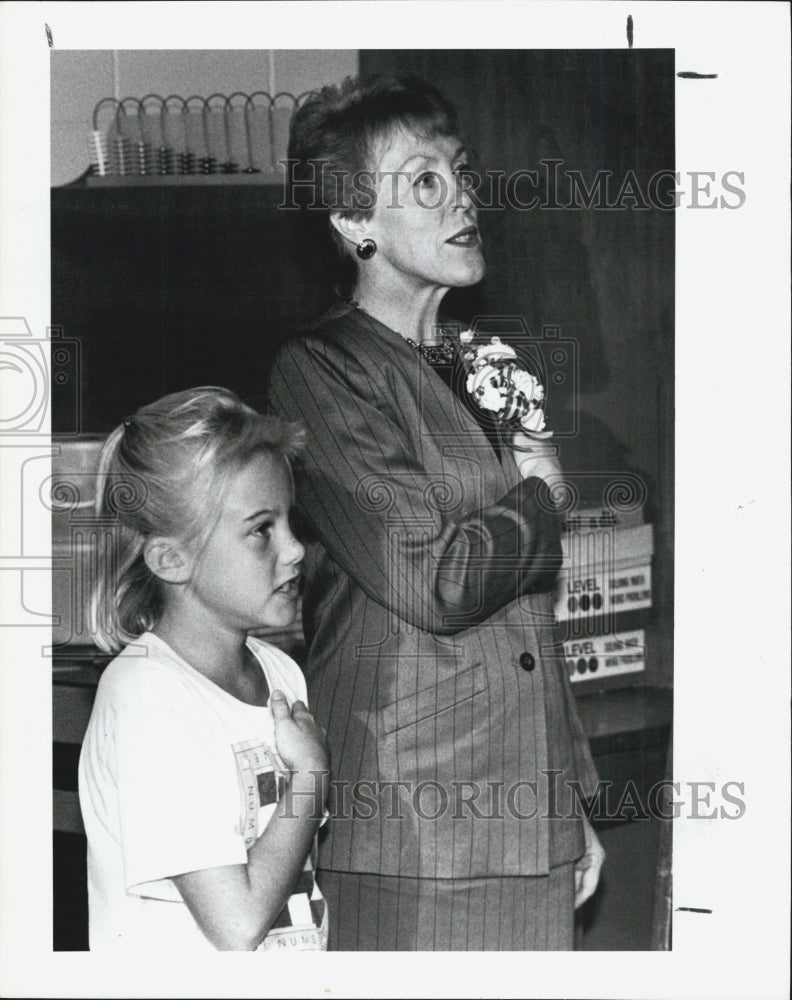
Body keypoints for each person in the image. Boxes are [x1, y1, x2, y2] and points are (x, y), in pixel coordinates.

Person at [267, 75, 605, 951]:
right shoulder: (322, 370)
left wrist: (565, 801)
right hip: (415, 829)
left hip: (523, 816)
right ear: (352, 221)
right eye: (423, 180)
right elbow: (436, 579)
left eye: (459, 170)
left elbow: (529, 615)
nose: (462, 195)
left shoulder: (473, 362)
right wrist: (541, 498)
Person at [78, 387, 329, 952]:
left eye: (291, 522)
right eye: (261, 529)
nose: (294, 550)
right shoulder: (147, 695)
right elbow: (236, 924)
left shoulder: (281, 673)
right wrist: (311, 776)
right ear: (171, 558)